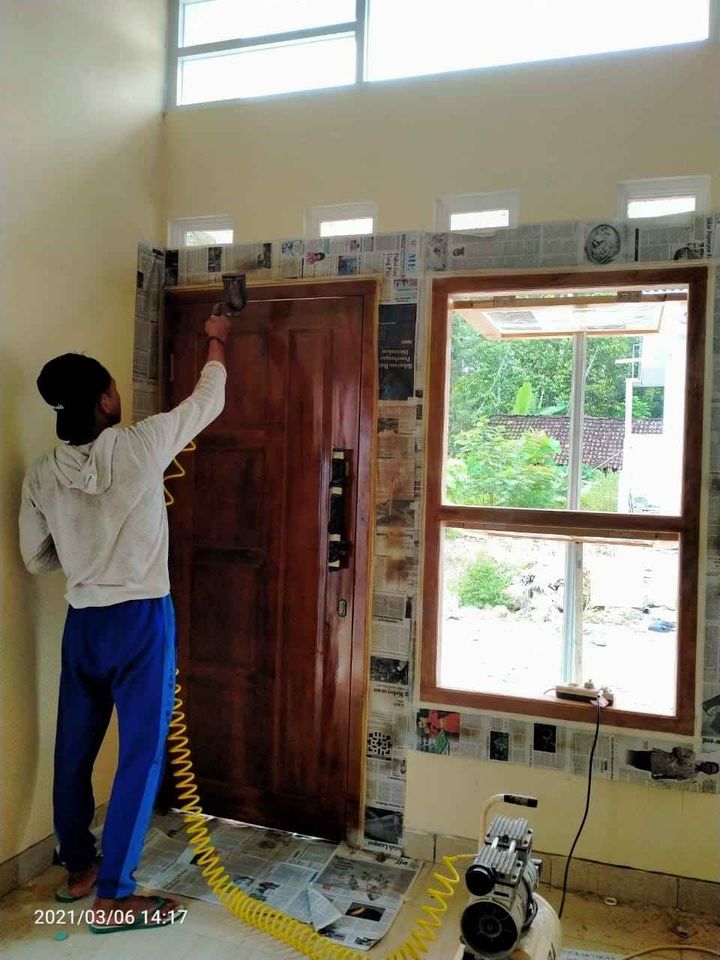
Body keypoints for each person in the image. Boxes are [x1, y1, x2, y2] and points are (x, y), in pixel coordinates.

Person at [18, 313, 231, 933]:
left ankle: (79, 868)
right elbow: (207, 401)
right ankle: (115, 896)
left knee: (73, 749)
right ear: (106, 401)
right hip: (141, 623)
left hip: (83, 624)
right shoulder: (142, 445)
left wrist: (84, 555)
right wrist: (217, 339)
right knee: (139, 756)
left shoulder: (41, 474)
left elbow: (35, 558)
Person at [625, 747, 720, 781]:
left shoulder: (692, 775)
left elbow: (675, 777)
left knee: (632, 763)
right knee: (630, 754)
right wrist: (680, 757)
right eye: (710, 766)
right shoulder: (692, 755)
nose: (708, 768)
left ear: (708, 773)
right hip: (655, 757)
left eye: (710, 770)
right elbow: (676, 749)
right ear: (707, 762)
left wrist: (660, 777)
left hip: (655, 768)